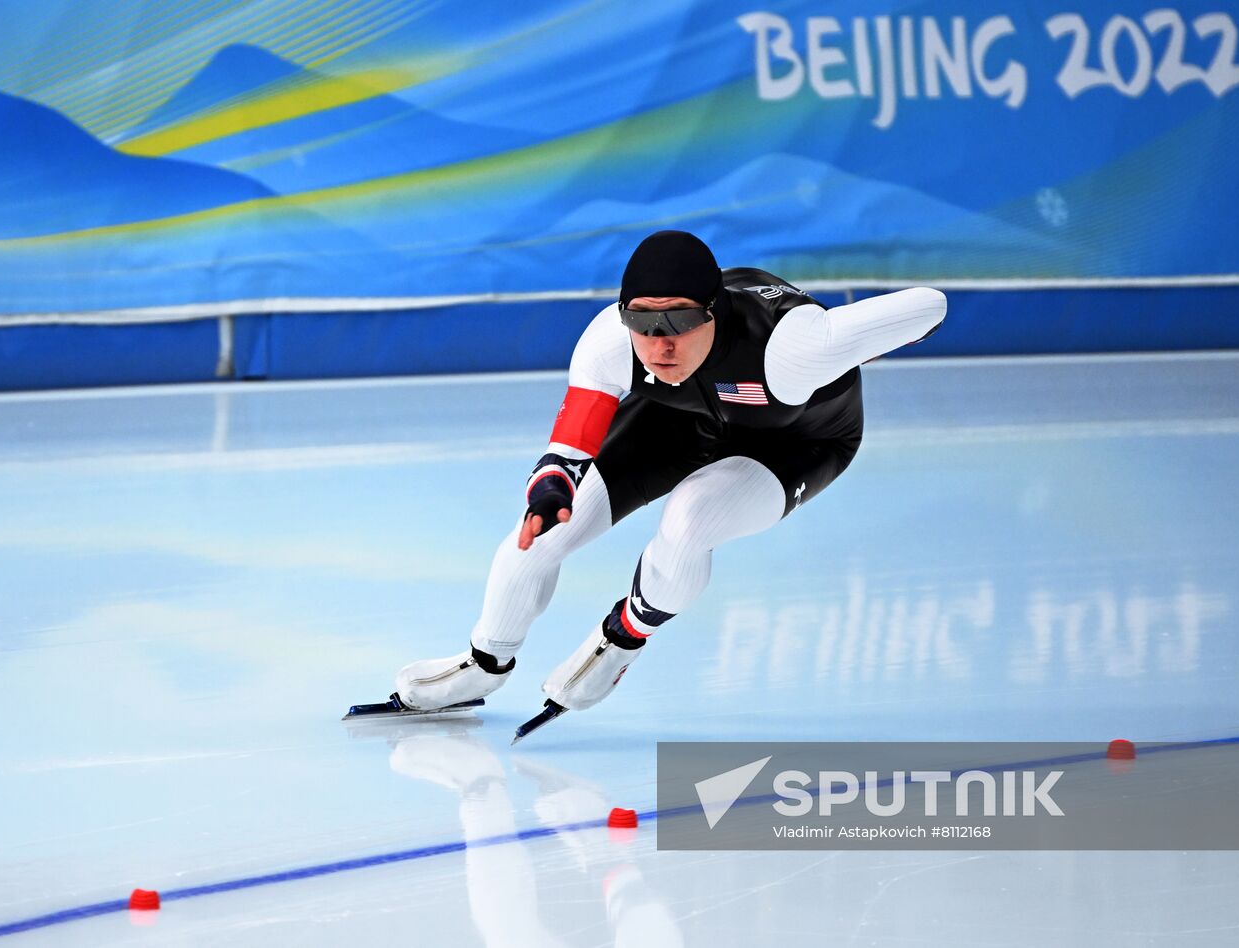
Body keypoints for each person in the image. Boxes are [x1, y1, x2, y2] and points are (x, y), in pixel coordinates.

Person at [390, 230, 946, 735]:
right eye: (644, 324)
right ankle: (483, 664)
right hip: (678, 418)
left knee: (690, 517)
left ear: (715, 313)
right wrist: (551, 485)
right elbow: (568, 447)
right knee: (541, 531)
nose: (661, 344)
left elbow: (931, 305)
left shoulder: (794, 349)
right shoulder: (610, 342)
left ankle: (623, 639)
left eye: (680, 321)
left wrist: (858, 340)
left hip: (793, 442)